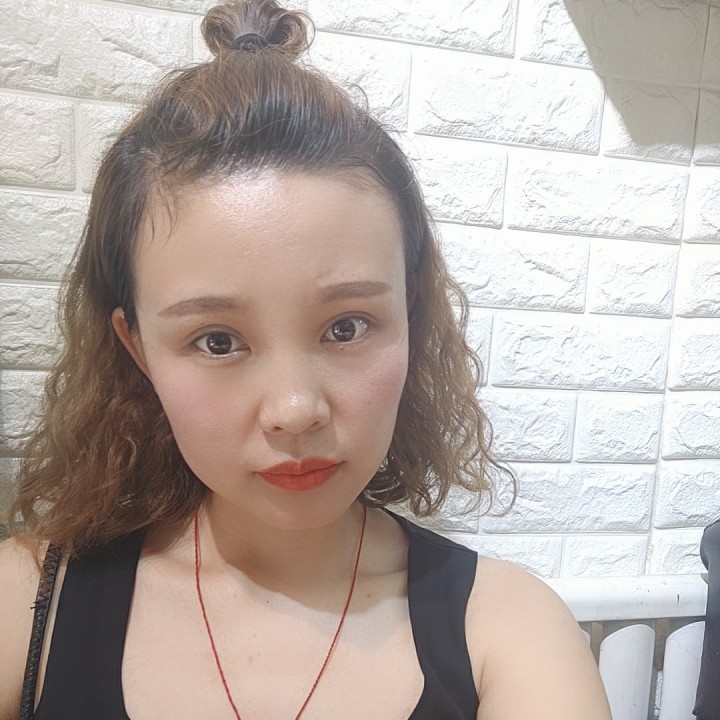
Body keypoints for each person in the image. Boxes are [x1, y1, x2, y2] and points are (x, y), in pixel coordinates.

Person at [0, 1, 611, 718]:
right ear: (137, 347)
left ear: (411, 317)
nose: (295, 411)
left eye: (346, 327)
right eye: (218, 341)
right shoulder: (26, 604)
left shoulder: (508, 630)